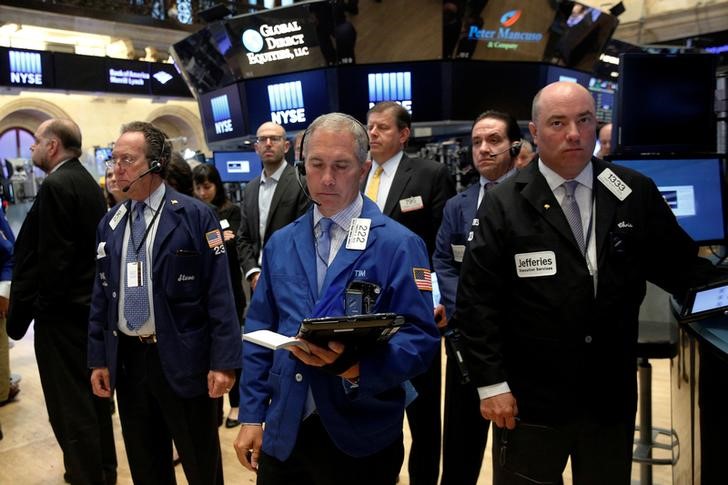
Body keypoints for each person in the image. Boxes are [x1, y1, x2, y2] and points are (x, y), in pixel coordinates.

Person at [455, 81, 721, 484]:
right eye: (558, 123)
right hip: (530, 401)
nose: (574, 134)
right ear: (535, 130)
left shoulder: (633, 191)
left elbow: (681, 267)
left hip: (608, 395)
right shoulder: (504, 202)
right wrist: (491, 384)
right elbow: (477, 300)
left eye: (583, 120)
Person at [233, 112, 440, 485]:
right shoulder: (281, 242)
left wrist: (358, 368)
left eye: (341, 166)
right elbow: (258, 330)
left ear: (362, 170)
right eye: (317, 164)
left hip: (362, 433)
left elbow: (421, 340)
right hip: (286, 429)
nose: (327, 178)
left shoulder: (399, 245)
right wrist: (251, 414)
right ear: (303, 166)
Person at [87, 121, 241, 485]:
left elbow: (221, 293)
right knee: (146, 467)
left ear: (155, 163)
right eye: (114, 159)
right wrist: (98, 357)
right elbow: (101, 295)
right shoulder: (110, 223)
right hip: (129, 363)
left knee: (201, 466)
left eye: (127, 159)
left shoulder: (195, 215)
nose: (117, 168)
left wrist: (224, 363)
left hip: (185, 359)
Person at [7, 118, 117, 485]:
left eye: (36, 141)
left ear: (53, 145)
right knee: (93, 397)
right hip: (86, 312)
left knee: (69, 404)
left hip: (63, 316)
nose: (32, 148)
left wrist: (39, 307)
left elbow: (53, 260)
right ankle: (103, 468)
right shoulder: (85, 180)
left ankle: (87, 475)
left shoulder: (56, 184)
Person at [365, 101, 455, 485]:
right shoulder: (356, 174)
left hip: (416, 308)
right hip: (366, 309)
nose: (372, 134)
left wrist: (437, 297)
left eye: (382, 128)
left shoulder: (430, 174)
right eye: (369, 127)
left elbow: (442, 244)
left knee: (423, 414)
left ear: (403, 134)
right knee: (372, 405)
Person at [433, 110, 520, 485]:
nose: (483, 150)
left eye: (494, 141)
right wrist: (465, 311)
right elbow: (443, 262)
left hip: (521, 343)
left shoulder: (534, 198)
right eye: (476, 142)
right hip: (467, 341)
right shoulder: (458, 206)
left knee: (519, 451)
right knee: (460, 445)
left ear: (516, 146)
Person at [192, 162, 246, 427]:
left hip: (231, 288)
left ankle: (237, 404)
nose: (203, 193)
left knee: (232, 346)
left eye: (207, 186)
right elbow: (216, 241)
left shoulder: (231, 210)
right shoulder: (195, 213)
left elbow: (230, 242)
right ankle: (214, 406)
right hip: (205, 291)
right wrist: (217, 238)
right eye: (198, 187)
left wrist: (214, 239)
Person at [236, 121, 310, 293]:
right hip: (257, 281)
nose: (268, 143)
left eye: (274, 139)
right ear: (256, 147)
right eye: (263, 139)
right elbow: (243, 237)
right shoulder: (250, 189)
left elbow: (303, 236)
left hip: (290, 280)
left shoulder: (301, 183)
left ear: (286, 146)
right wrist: (253, 272)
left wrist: (272, 276)